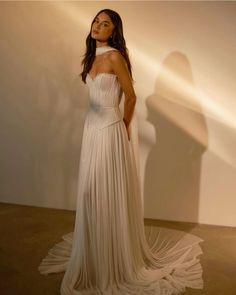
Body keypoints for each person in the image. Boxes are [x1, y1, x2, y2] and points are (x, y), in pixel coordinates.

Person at [38, 9, 204, 294]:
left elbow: (131, 95)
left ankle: (112, 261)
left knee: (101, 189)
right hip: (91, 130)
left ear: (113, 31)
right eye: (96, 21)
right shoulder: (91, 57)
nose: (98, 26)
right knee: (90, 192)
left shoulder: (115, 56)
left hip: (110, 129)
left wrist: (123, 126)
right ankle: (95, 255)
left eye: (105, 24)